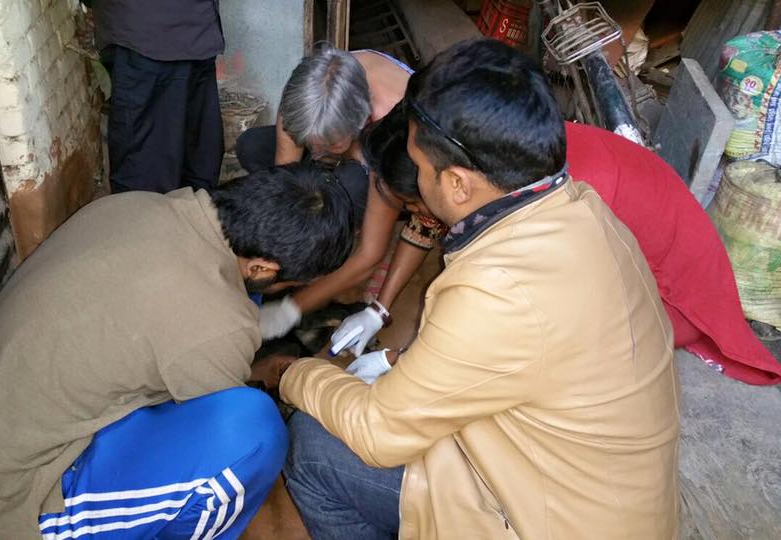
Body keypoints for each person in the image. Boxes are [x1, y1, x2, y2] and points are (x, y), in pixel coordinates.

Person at [279, 39, 680, 539]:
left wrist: (295, 374)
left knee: (315, 444)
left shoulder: (494, 290)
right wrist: (396, 358)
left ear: (457, 184)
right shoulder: (583, 209)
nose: (413, 183)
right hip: (598, 494)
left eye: (417, 167)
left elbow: (377, 432)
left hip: (549, 521)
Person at [0, 163, 356, 539]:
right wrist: (287, 379)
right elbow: (211, 418)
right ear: (263, 267)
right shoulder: (218, 322)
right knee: (254, 435)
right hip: (24, 501)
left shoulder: (137, 204)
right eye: (290, 283)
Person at [334, 111, 781, 385]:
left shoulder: (553, 216)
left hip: (666, 286)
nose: (418, 217)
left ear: (452, 182)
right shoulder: (490, 156)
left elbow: (516, 326)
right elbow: (430, 224)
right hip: (632, 233)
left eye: (414, 203)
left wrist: (401, 360)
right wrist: (380, 310)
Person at [234, 45, 412, 339]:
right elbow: (286, 187)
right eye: (311, 143)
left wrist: (291, 307)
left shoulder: (392, 130)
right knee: (253, 146)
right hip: (347, 141)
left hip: (381, 162)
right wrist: (277, 260)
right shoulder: (307, 91)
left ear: (360, 122)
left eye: (329, 145)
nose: (316, 152)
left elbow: (371, 253)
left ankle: (339, 240)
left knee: (348, 187)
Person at [94, 0, 224, 193]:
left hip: (195, 34)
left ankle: (188, 209)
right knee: (146, 173)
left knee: (198, 163)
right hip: (148, 38)